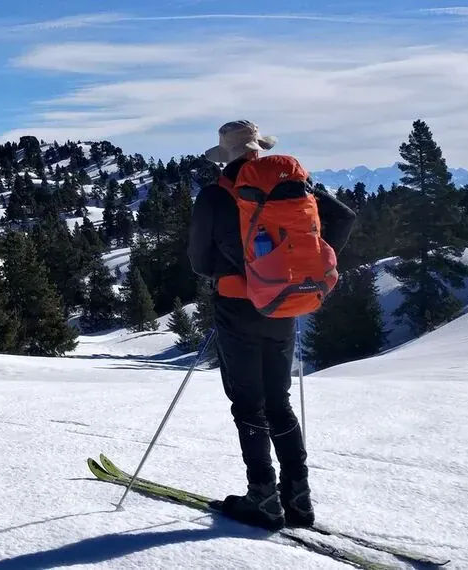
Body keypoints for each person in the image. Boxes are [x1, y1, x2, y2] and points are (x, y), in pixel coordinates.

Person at [187, 120, 356, 530]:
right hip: (283, 302)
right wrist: (302, 265)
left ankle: (262, 496)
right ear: (258, 149)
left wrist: (232, 271)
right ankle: (298, 497)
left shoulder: (215, 194)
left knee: (248, 404)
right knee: (278, 401)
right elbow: (345, 218)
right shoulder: (293, 186)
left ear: (225, 154)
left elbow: (199, 261)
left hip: (236, 306)